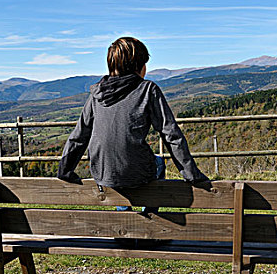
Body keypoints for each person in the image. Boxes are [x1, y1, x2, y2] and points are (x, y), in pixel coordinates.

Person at [57, 37, 208, 213]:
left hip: (103, 172)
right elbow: (171, 134)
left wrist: (65, 170)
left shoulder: (97, 93)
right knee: (158, 163)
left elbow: (79, 135)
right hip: (135, 172)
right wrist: (191, 174)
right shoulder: (147, 89)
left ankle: (125, 228)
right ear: (138, 66)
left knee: (119, 174)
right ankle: (150, 221)